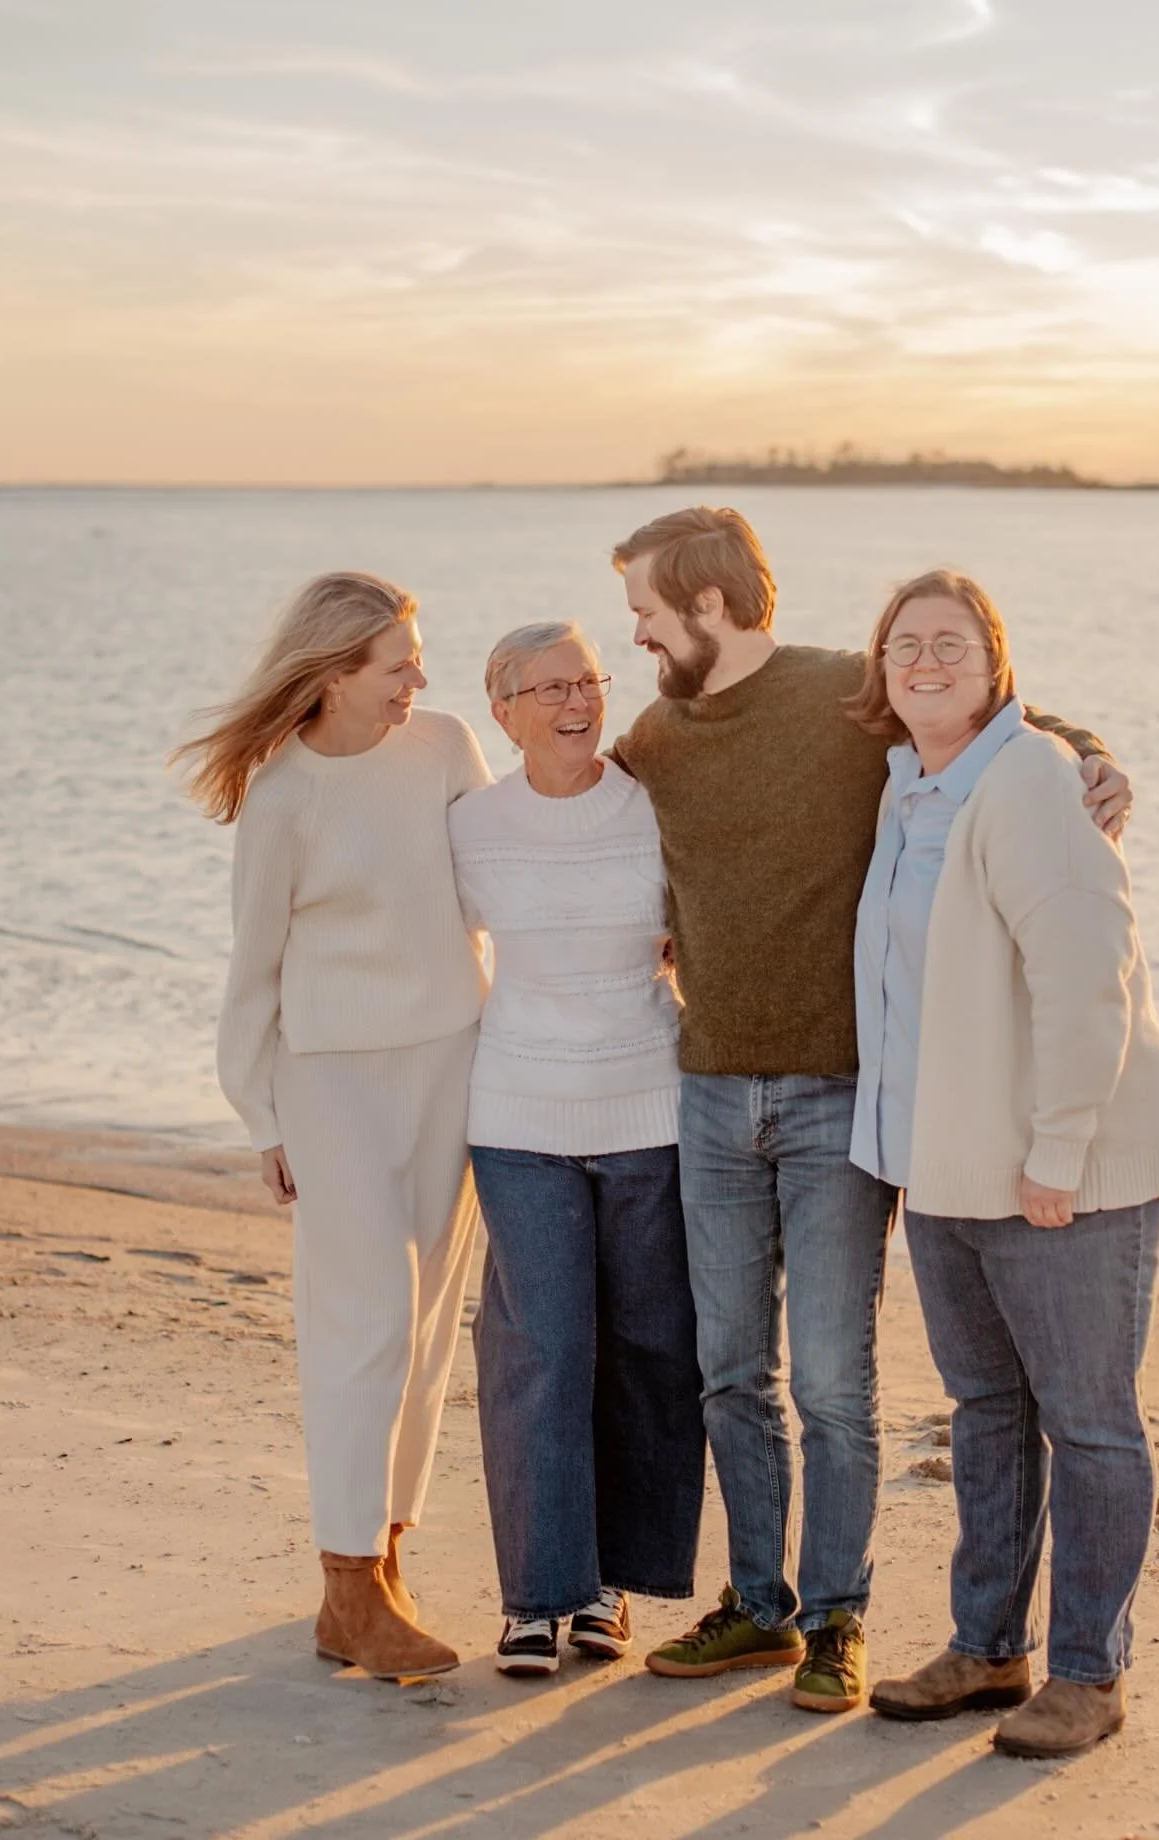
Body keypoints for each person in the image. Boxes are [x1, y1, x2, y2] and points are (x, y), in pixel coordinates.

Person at [607, 506, 1133, 1713]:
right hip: (707, 1089)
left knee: (833, 1381)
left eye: (647, 612)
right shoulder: (660, 733)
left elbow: (1012, 725)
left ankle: (839, 1616)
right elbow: (569, 798)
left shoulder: (853, 695)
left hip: (847, 1099)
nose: (637, 636)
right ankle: (756, 1607)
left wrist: (1101, 756)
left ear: (708, 606)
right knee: (730, 1369)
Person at [848, 570, 1159, 1759]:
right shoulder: (907, 787)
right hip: (945, 1166)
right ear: (881, 671)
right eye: (905, 645)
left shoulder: (1032, 781)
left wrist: (1056, 1149)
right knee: (987, 1412)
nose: (925, 661)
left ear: (999, 664)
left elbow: (1088, 980)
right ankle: (989, 1647)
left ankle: (1090, 1674)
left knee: (1089, 1423)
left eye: (951, 643)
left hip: (1064, 1175)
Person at [174, 571, 491, 1679]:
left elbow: (494, 885)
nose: (419, 678)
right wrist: (261, 1114)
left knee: (431, 1320)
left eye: (415, 657)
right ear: (335, 674)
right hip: (331, 1082)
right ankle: (345, 1583)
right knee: (367, 1319)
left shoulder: (447, 746)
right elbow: (250, 971)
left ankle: (386, 1559)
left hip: (452, 1059)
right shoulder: (282, 796)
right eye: (398, 662)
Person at [449, 622, 704, 1678]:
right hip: (518, 1116)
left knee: (649, 1348)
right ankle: (535, 1597)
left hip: (650, 1105)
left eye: (588, 678)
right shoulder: (470, 824)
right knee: (542, 1351)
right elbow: (412, 941)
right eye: (545, 686)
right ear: (501, 710)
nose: (575, 700)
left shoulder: (656, 805)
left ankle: (610, 1584)